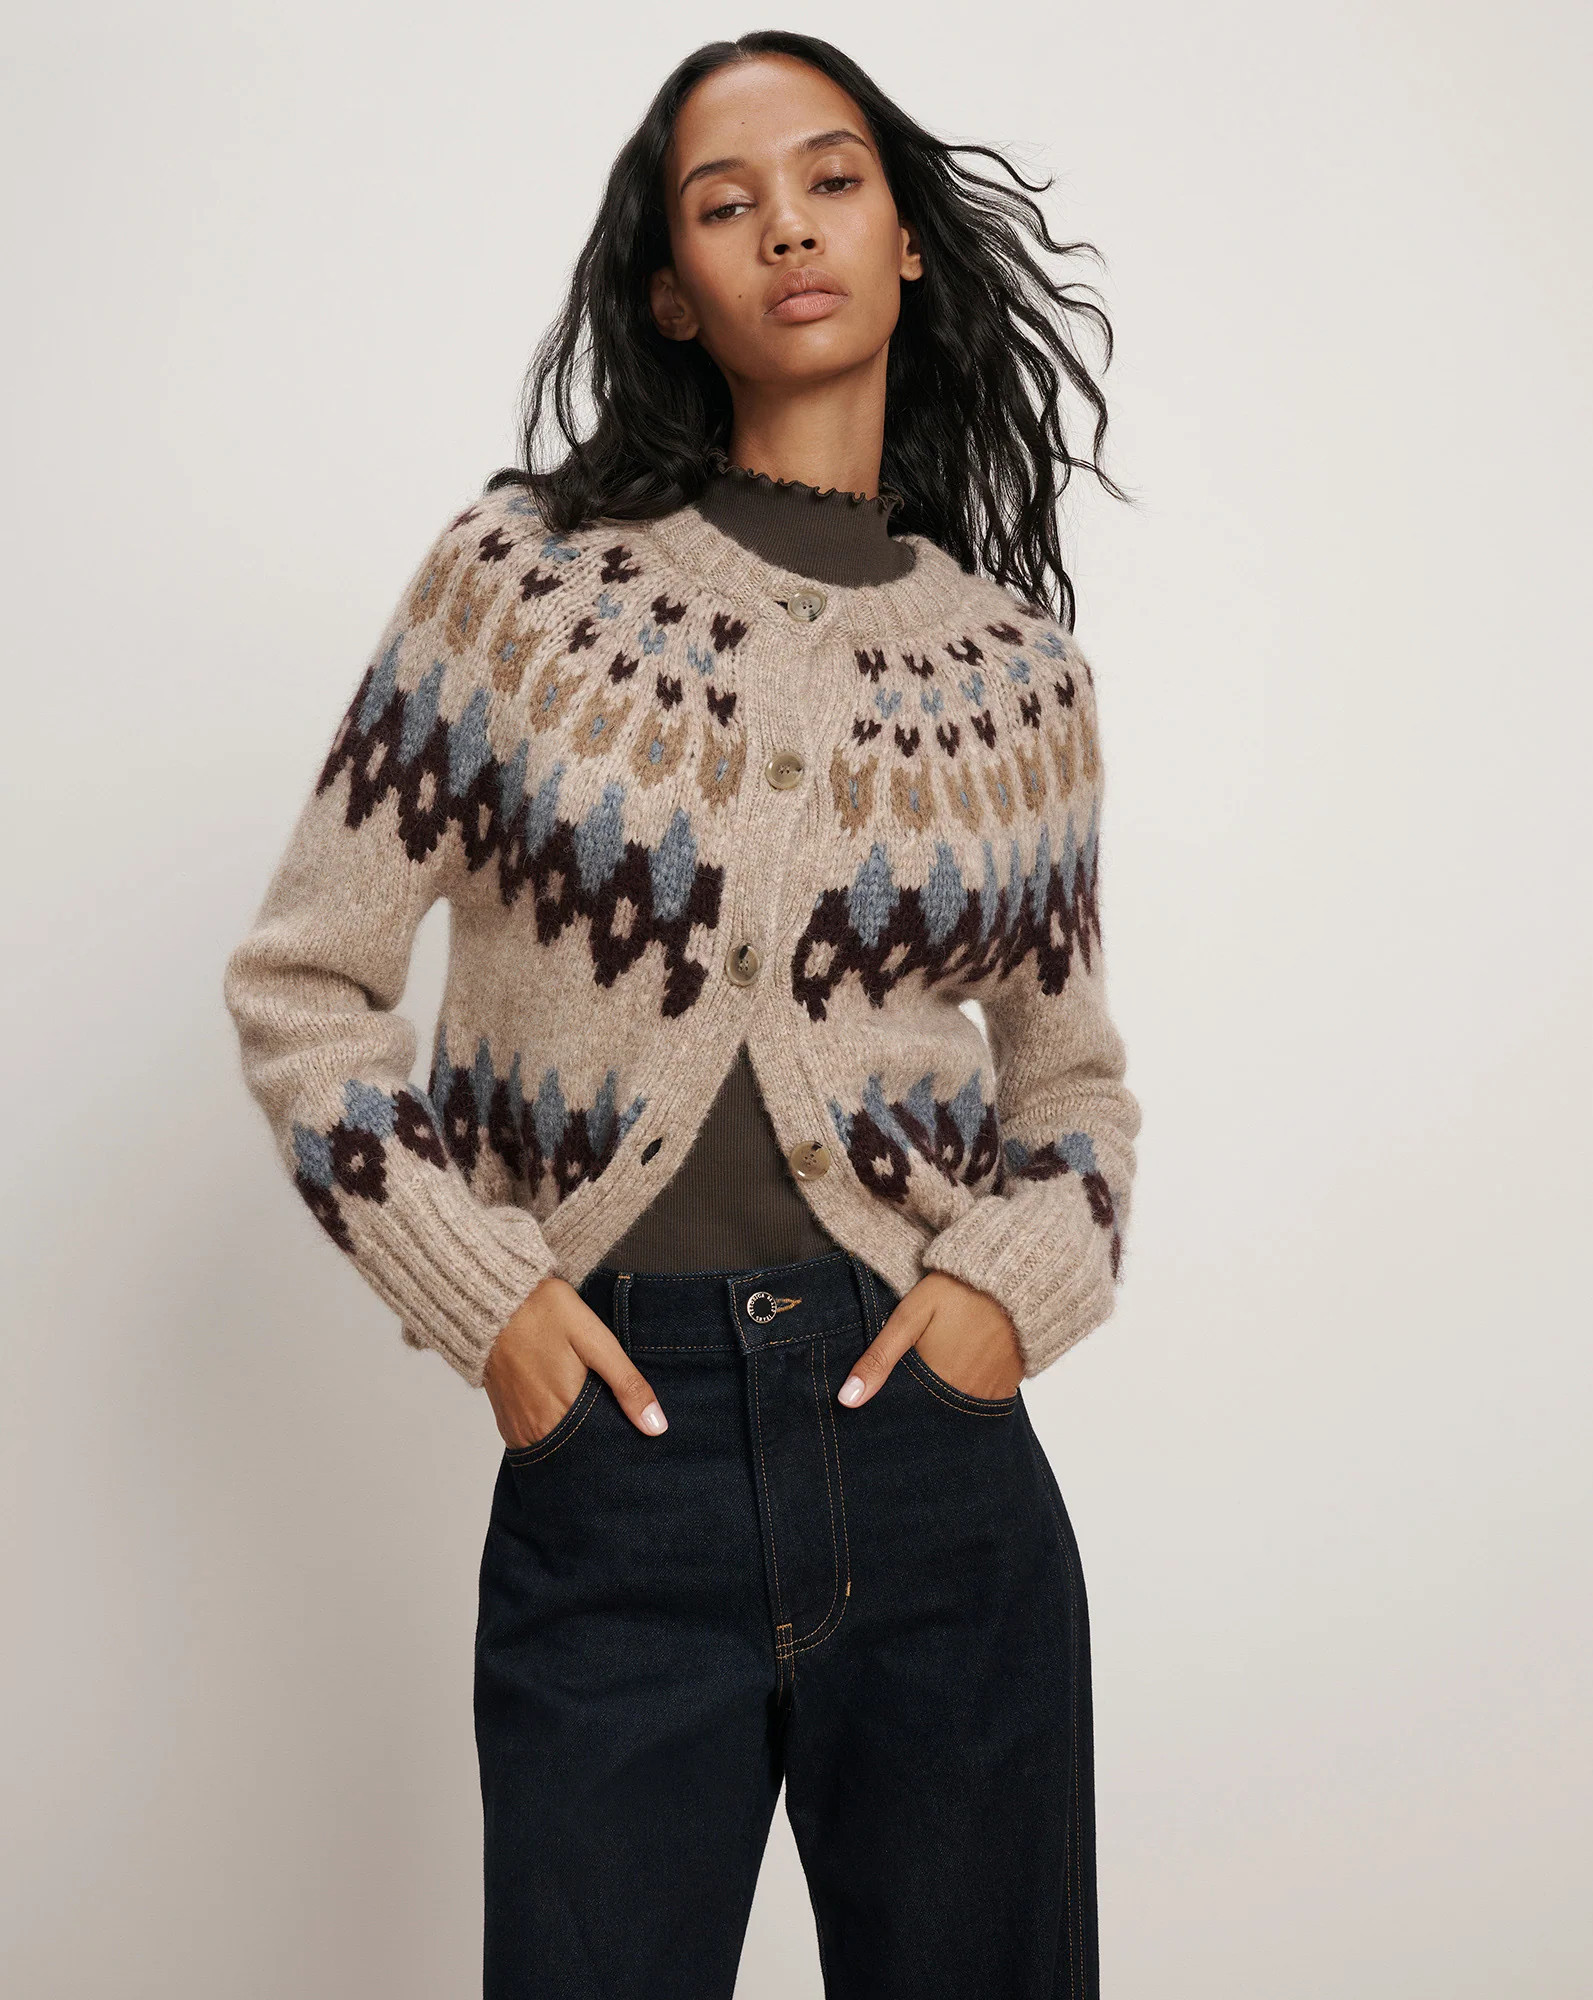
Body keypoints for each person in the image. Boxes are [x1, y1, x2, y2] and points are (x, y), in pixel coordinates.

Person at [223, 29, 1141, 2000]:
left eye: (828, 180)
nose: (785, 226)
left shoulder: (1017, 679)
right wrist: (489, 1299)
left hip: (936, 1469)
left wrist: (1001, 1300)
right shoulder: (519, 587)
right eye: (725, 205)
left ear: (904, 236)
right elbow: (304, 983)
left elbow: (1070, 1085)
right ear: (668, 290)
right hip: (613, 1457)